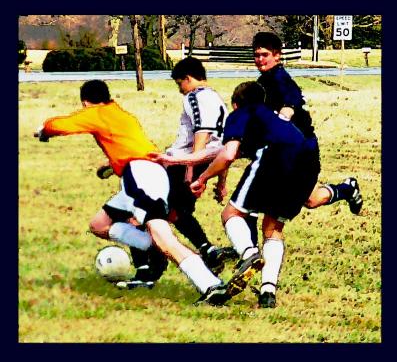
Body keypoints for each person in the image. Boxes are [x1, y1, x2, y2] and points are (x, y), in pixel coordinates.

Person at [34, 79, 254, 305]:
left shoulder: (96, 112)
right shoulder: (120, 113)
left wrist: (43, 131)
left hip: (141, 177)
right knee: (99, 224)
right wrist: (113, 166)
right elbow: (133, 148)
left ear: (86, 103)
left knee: (166, 239)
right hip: (146, 173)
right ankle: (153, 246)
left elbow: (60, 124)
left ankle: (210, 284)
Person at [190, 81, 321, 308]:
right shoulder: (271, 117)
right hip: (306, 163)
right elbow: (233, 155)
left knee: (231, 214)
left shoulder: (242, 113)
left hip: (274, 157)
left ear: (235, 104)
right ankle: (268, 292)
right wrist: (220, 181)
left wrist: (201, 179)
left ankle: (249, 254)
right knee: (273, 228)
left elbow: (228, 154)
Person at [252, 32, 363, 215]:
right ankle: (347, 189)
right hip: (285, 153)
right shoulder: (262, 82)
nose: (260, 59)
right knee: (310, 200)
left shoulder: (281, 79)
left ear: (277, 55)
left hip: (303, 152)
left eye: (265, 55)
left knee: (279, 204)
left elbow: (291, 102)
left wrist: (283, 116)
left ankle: (347, 189)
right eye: (256, 55)